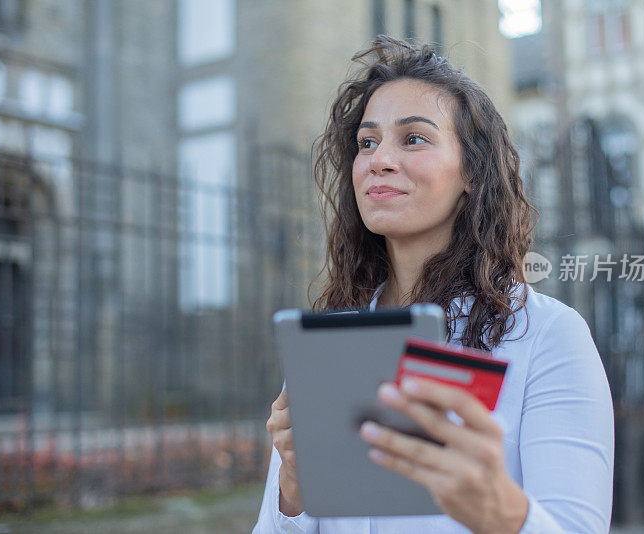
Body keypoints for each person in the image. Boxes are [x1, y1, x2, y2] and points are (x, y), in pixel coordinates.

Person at [253, 35, 614, 533]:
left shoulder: (549, 337)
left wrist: (499, 509)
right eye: (366, 142)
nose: (379, 159)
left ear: (471, 170)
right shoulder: (325, 346)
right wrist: (292, 490)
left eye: (413, 138)